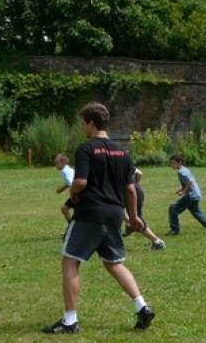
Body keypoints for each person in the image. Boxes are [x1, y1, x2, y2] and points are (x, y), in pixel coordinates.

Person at [42, 102, 155, 334]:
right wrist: (133, 218)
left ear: (91, 123)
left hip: (90, 213)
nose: (83, 127)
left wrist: (72, 193)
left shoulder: (86, 148)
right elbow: (131, 190)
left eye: (83, 123)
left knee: (70, 261)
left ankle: (70, 321)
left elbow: (81, 182)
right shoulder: (122, 152)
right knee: (114, 263)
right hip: (114, 214)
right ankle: (142, 307)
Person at [167, 154, 206, 235]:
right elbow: (190, 182)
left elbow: (190, 182)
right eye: (171, 163)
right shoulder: (185, 169)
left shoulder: (181, 172)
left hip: (191, 196)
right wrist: (182, 189)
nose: (171, 165)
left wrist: (183, 192)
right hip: (196, 195)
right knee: (197, 212)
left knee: (173, 209)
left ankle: (174, 230)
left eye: (173, 163)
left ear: (179, 162)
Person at [121, 168, 166, 250]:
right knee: (120, 213)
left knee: (135, 219)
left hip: (131, 194)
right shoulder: (123, 161)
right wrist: (135, 183)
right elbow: (139, 173)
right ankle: (130, 226)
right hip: (136, 191)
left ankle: (157, 242)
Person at [54, 154, 76, 226]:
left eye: (57, 163)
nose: (56, 166)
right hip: (78, 193)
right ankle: (72, 227)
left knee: (64, 209)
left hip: (78, 194)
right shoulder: (67, 169)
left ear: (63, 163)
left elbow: (70, 183)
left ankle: (71, 227)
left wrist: (60, 190)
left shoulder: (65, 171)